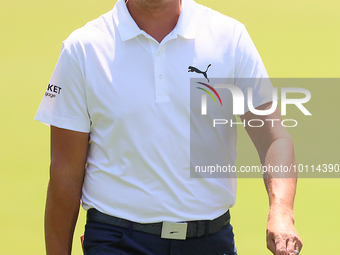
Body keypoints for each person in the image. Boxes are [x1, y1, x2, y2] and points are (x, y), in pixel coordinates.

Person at [35, 0, 303, 254]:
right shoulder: (83, 48)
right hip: (116, 240)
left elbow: (273, 138)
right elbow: (65, 173)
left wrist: (281, 212)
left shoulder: (229, 37)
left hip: (210, 241)